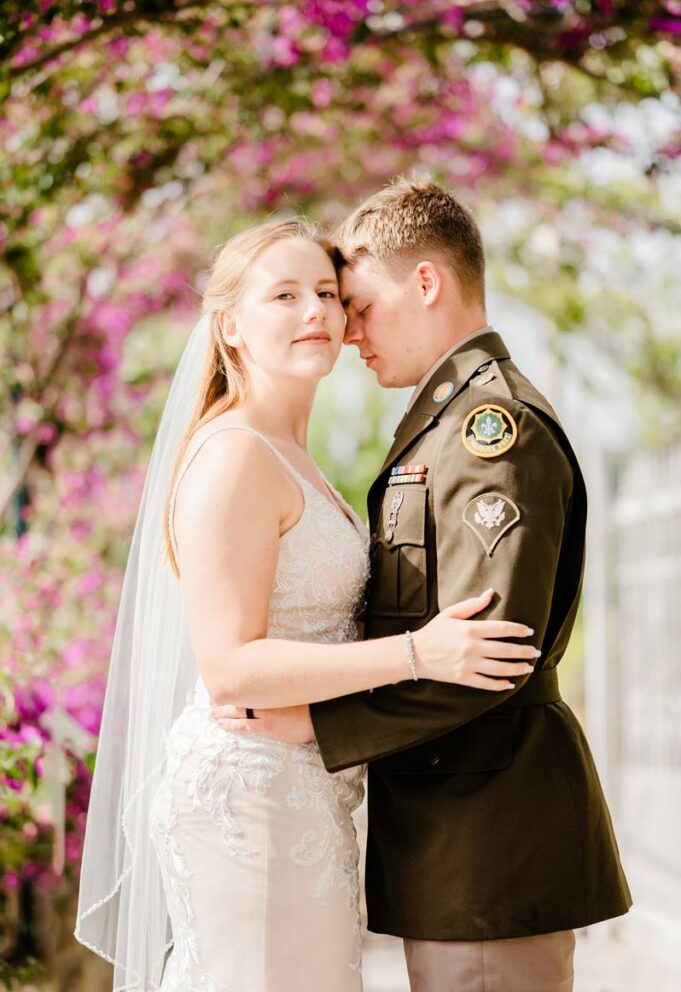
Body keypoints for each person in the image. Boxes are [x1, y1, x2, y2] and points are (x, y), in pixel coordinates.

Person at [74, 216, 538, 992]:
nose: (316, 313)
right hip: (245, 797)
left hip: (307, 793)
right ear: (230, 326)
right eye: (283, 296)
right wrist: (419, 652)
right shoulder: (233, 457)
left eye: (326, 292)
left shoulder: (294, 455)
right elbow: (229, 669)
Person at [213, 182, 632, 992]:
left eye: (359, 306)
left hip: (486, 838)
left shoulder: (487, 431)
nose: (347, 332)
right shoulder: (441, 423)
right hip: (454, 829)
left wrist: (314, 724)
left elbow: (488, 654)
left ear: (428, 283)